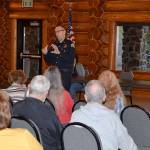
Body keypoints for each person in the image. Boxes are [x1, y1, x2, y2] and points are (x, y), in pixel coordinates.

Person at [71, 80, 137, 150]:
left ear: (85, 97)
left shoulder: (75, 115)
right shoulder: (112, 118)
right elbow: (129, 147)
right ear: (104, 97)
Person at [12, 75, 62, 150]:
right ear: (46, 92)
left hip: (20, 146)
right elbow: (60, 135)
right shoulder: (48, 112)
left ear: (29, 88)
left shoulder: (15, 107)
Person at [42, 26, 75, 91]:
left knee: (63, 94)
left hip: (65, 74)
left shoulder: (70, 44)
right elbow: (49, 61)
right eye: (55, 32)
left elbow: (70, 59)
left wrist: (59, 53)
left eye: (58, 31)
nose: (56, 34)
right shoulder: (55, 44)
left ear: (64, 32)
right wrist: (45, 54)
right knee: (53, 93)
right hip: (55, 73)